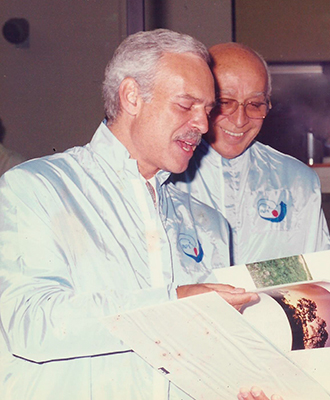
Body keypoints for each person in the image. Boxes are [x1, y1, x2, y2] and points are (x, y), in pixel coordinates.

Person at [0, 29, 261, 399]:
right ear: (132, 96)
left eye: (207, 110)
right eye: (186, 105)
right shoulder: (38, 189)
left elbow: (206, 357)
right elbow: (32, 325)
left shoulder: (207, 224)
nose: (203, 125)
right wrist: (173, 304)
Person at [173, 42, 330, 265]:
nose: (240, 120)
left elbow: (319, 280)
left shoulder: (298, 183)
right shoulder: (166, 177)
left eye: (255, 104)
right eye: (225, 103)